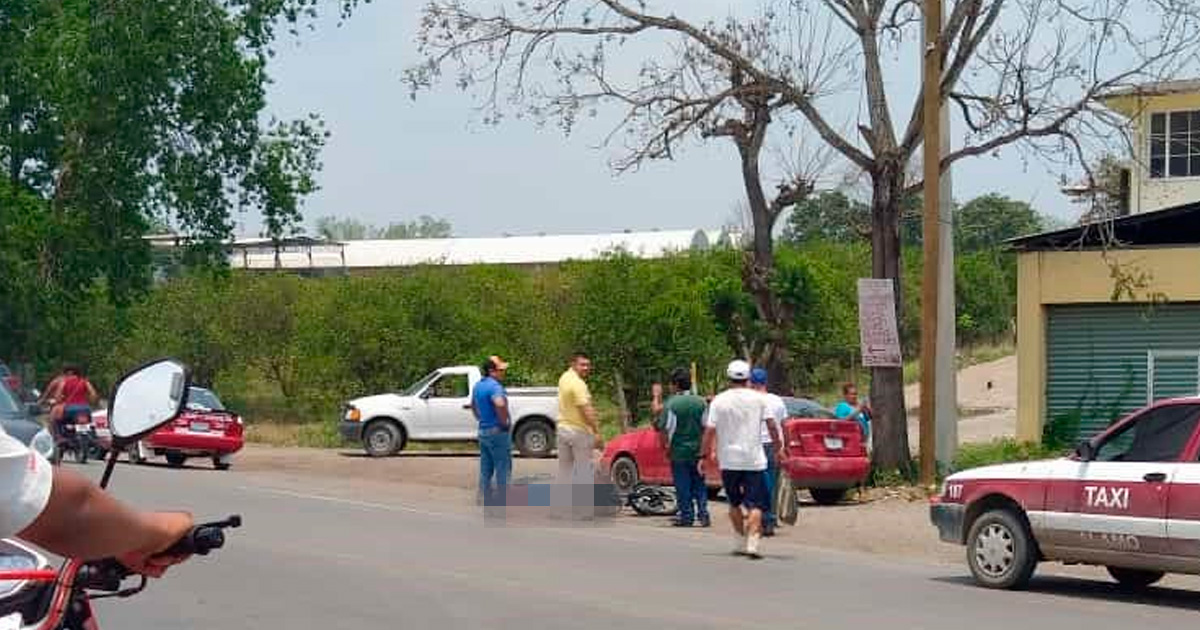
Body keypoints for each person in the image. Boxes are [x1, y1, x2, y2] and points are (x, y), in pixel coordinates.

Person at [1, 423, 193, 577]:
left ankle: (60, 435)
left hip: (70, 413)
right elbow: (68, 514)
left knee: (56, 419)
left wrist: (118, 540)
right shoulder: (83, 386)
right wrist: (163, 530)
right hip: (81, 413)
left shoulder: (61, 384)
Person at [702, 359, 781, 559]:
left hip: (729, 460)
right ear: (748, 378)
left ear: (729, 378)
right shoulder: (759, 399)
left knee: (734, 503)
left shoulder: (719, 401)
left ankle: (739, 540)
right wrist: (779, 448)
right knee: (757, 505)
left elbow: (709, 431)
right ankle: (753, 543)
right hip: (754, 459)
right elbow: (772, 426)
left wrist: (704, 455)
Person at [651, 368, 710, 528]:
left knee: (682, 485)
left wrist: (665, 446)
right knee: (699, 484)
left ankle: (687, 516)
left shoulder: (671, 404)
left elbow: (663, 428)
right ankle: (704, 514)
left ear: (676, 385)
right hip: (697, 450)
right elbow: (706, 427)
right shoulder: (701, 402)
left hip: (679, 451)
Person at [556, 353, 601, 517]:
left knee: (564, 470)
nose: (586, 368)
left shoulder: (564, 377)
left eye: (588, 365)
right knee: (583, 470)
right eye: (582, 365)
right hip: (578, 431)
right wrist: (596, 431)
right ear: (574, 364)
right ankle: (584, 511)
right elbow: (586, 410)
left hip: (563, 428)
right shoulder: (578, 384)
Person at [750, 368, 788, 536]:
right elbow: (785, 425)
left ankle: (761, 519)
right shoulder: (777, 401)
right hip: (774, 446)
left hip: (756, 445)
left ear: (751, 383)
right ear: (765, 382)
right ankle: (770, 519)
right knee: (771, 484)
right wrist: (783, 447)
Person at [472, 356, 512, 510]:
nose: (503, 372)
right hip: (497, 432)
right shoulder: (495, 386)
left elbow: (473, 406)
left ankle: (483, 496)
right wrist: (504, 422)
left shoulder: (478, 386)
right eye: (500, 370)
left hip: (483, 431)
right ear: (491, 371)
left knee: (486, 467)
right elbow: (500, 403)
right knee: (503, 466)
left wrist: (481, 419)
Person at [41, 364, 100, 444]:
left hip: (70, 408)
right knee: (90, 423)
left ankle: (59, 438)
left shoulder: (64, 381)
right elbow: (94, 394)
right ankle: (93, 436)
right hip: (85, 408)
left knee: (55, 420)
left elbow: (57, 396)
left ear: (68, 372)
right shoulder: (84, 381)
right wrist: (90, 402)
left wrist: (57, 400)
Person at [834, 382, 872, 450]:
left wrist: (867, 409)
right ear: (845, 395)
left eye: (856, 394)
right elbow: (840, 422)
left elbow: (868, 419)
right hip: (850, 442)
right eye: (852, 394)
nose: (854, 396)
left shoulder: (858, 406)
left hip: (863, 440)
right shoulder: (842, 406)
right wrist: (858, 410)